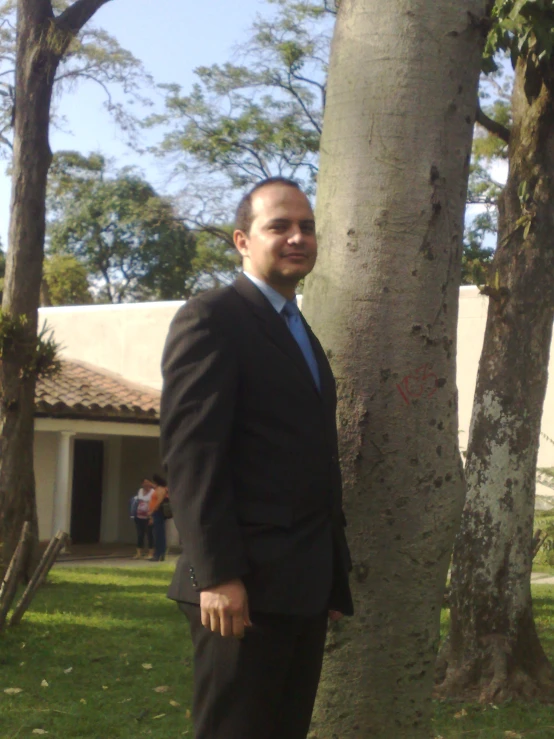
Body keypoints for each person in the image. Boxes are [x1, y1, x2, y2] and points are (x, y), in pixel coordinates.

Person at [160, 176, 353, 739]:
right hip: (239, 591)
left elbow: (311, 460)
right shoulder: (213, 318)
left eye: (307, 227)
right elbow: (193, 454)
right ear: (243, 241)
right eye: (280, 226)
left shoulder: (300, 332)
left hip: (303, 586)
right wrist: (216, 574)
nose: (298, 237)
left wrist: (331, 578)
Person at [131, 478, 155, 559]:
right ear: (142, 484)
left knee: (149, 535)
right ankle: (138, 553)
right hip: (139, 516)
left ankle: (150, 553)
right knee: (140, 534)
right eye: (144, 483)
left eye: (148, 482)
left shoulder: (153, 492)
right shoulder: (140, 491)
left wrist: (151, 517)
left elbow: (153, 503)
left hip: (148, 516)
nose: (146, 484)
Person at [148, 473, 168, 562]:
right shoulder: (159, 488)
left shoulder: (160, 489)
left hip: (158, 512)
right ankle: (160, 554)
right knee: (159, 533)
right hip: (157, 512)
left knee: (158, 533)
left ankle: (158, 554)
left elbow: (159, 501)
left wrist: (152, 511)